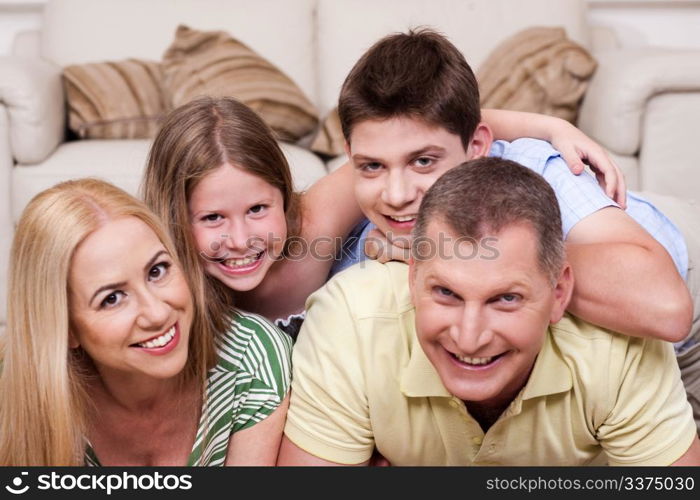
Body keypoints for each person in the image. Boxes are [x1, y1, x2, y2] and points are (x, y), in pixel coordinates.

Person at [327, 29, 700, 427]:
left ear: (477, 149)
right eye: (372, 166)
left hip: (683, 325)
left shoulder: (540, 168)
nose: (397, 195)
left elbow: (668, 312)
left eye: (423, 162)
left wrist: (456, 252)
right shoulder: (361, 243)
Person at [278, 158, 700, 466]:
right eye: (446, 293)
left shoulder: (619, 343)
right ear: (411, 277)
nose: (469, 337)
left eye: (505, 299)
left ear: (559, 294)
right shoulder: (350, 318)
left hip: (678, 261)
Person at [142, 96, 624, 340]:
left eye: (258, 209)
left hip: (624, 237)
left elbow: (421, 126)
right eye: (210, 219)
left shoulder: (311, 224)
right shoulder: (155, 287)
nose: (241, 239)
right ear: (173, 217)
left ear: (282, 198)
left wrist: (549, 126)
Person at [0, 179, 291, 466]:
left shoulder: (252, 359)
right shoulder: (16, 391)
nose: (157, 313)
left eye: (157, 271)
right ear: (66, 328)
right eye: (112, 298)